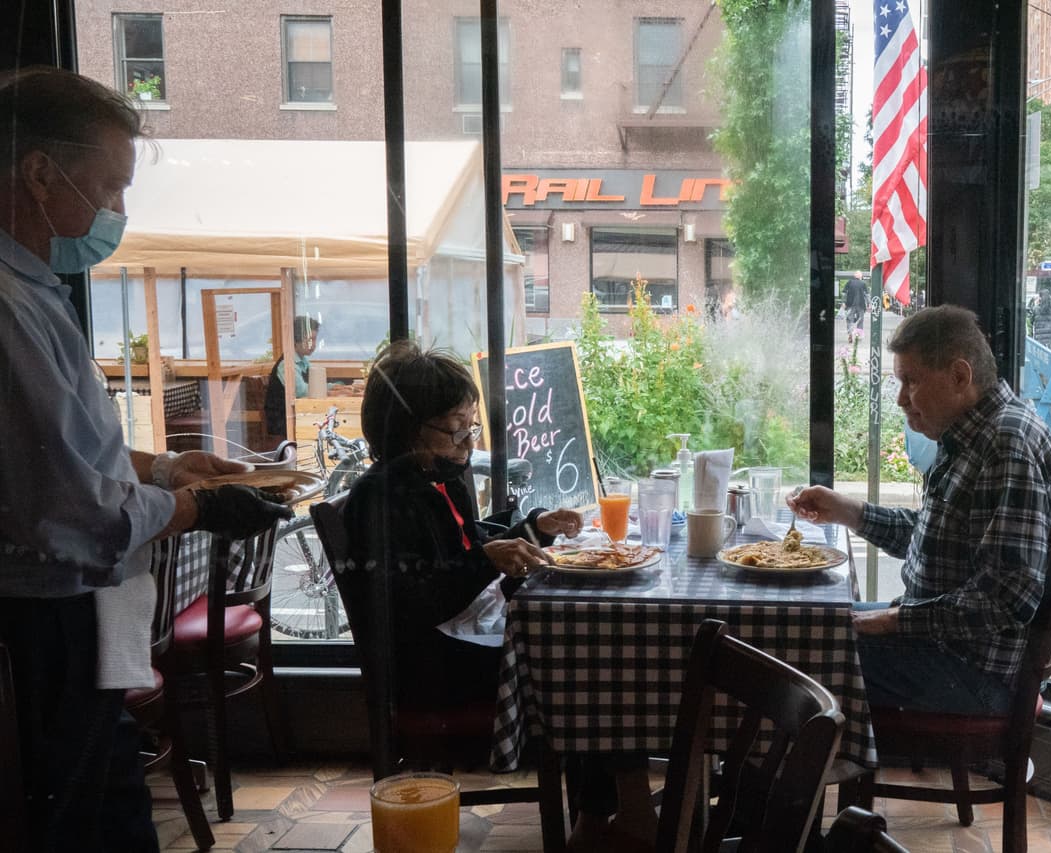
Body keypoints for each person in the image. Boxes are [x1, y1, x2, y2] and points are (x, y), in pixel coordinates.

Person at [0, 66, 292, 853]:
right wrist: (198, 509)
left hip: (76, 622)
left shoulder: (35, 289)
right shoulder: (7, 307)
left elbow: (60, 447)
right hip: (37, 629)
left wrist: (168, 469)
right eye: (110, 185)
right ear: (37, 173)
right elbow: (72, 511)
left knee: (114, 812)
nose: (117, 211)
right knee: (77, 827)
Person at [341, 342, 656, 852]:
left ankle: (605, 811)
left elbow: (469, 546)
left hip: (464, 638)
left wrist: (533, 530)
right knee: (594, 659)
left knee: (594, 636)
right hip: (432, 666)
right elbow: (414, 600)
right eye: (454, 430)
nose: (467, 443)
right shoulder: (380, 499)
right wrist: (487, 560)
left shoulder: (438, 478)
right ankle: (609, 814)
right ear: (405, 430)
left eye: (471, 427)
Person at [789, 306, 1051, 715]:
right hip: (946, 651)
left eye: (911, 381)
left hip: (974, 676)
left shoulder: (1005, 445)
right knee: (805, 623)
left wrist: (895, 620)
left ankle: (777, 775)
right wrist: (846, 511)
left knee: (798, 653)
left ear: (960, 376)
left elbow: (1009, 598)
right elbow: (938, 538)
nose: (901, 398)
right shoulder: (977, 433)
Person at [264, 314, 321, 439]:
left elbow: (314, 384)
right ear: (296, 340)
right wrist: (331, 389)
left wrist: (336, 387)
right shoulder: (287, 364)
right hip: (282, 424)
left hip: (296, 417)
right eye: (310, 340)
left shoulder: (303, 361)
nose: (314, 344)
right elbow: (302, 391)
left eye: (315, 340)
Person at [842, 272, 868, 341]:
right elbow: (866, 295)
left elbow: (844, 293)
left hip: (850, 305)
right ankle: (858, 336)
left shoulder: (849, 282)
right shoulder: (863, 283)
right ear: (860, 277)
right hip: (861, 305)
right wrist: (869, 304)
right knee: (860, 320)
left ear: (854, 276)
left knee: (849, 320)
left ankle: (850, 334)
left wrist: (843, 302)